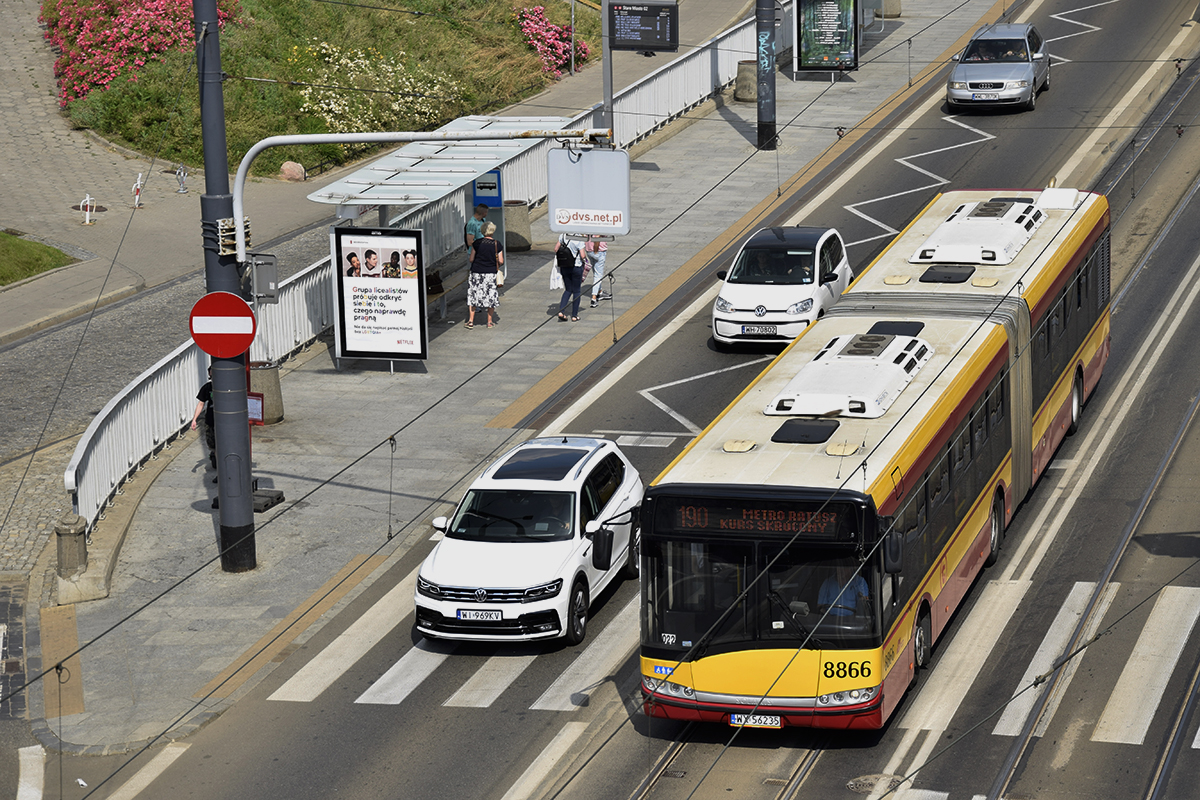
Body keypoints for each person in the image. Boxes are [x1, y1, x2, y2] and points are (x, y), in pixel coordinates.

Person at [467, 221, 503, 328]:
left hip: (476, 273)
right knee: (490, 296)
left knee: (473, 296)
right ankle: (489, 322)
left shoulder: (476, 243)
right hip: (490, 273)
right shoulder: (497, 244)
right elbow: (501, 261)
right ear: (493, 231)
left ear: (482, 231)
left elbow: (471, 259)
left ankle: (471, 321)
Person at [554, 233, 585, 322]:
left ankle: (561, 311)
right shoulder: (579, 238)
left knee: (568, 290)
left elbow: (556, 249)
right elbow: (582, 255)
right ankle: (574, 315)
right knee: (576, 291)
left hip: (564, 266)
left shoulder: (563, 236)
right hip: (576, 267)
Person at [190, 367, 216, 470]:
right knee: (212, 442)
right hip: (211, 420)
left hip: (224, 422)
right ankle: (214, 455)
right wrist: (194, 419)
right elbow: (201, 403)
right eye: (211, 377)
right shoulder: (207, 388)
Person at [586, 235, 611, 308]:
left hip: (589, 250)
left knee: (595, 273)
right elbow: (597, 237)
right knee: (598, 276)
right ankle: (594, 298)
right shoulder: (600, 225)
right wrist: (596, 251)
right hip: (599, 251)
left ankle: (600, 292)